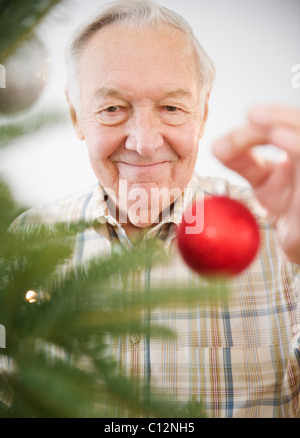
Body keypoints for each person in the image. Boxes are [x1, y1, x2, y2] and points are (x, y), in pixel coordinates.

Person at [11, 0, 300, 418]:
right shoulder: (27, 239)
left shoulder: (283, 232)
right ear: (77, 116)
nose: (144, 143)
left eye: (171, 108)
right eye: (112, 109)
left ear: (201, 115)